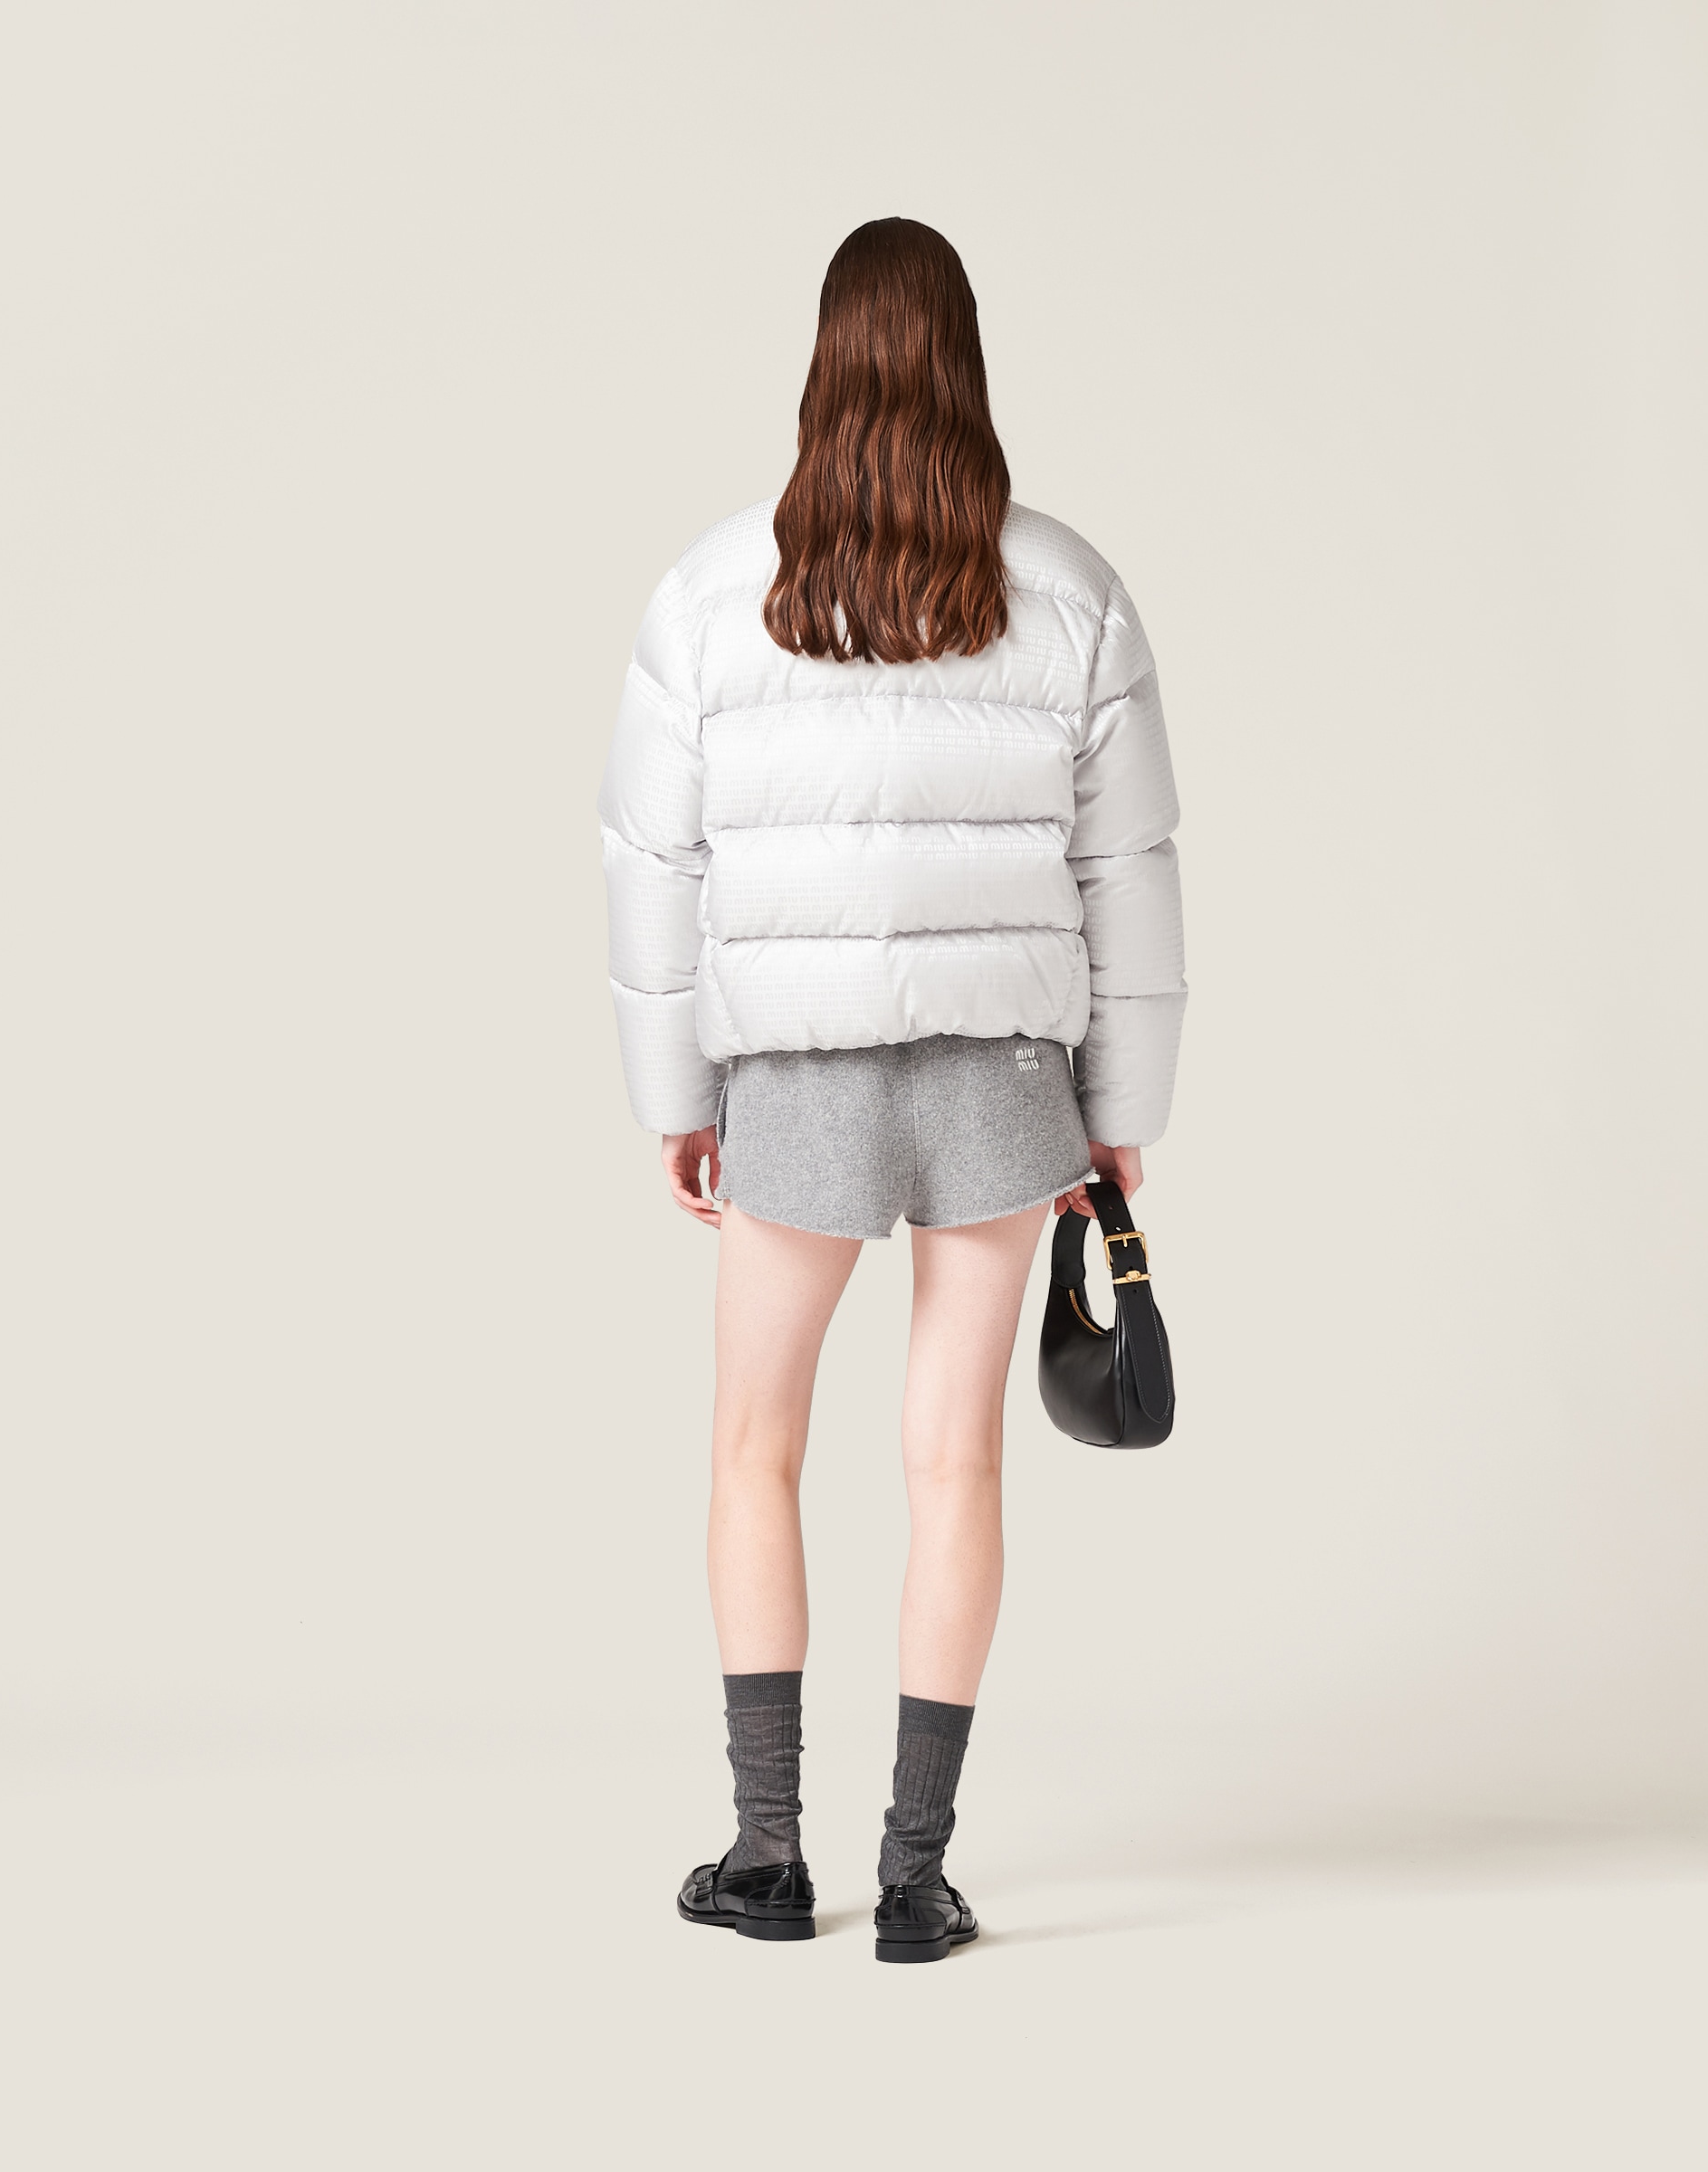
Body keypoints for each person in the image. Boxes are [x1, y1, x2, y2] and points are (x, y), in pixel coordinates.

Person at [597, 218, 1185, 1963]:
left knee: (753, 1449)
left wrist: (674, 1090)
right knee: (957, 1463)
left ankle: (767, 1858)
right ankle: (917, 1881)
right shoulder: (1072, 588)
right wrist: (1120, 1110)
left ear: (824, 365)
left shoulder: (712, 594)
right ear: (965, 363)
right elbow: (1130, 873)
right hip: (1005, 1078)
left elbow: (651, 865)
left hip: (795, 1075)